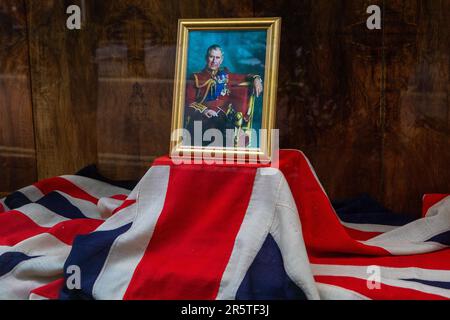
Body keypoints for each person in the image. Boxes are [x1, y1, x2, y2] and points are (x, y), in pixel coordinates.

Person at [184, 44, 263, 147]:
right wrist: (205, 110)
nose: (214, 61)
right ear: (206, 58)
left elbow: (244, 77)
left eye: (217, 58)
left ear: (221, 60)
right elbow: (189, 102)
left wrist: (256, 79)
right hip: (201, 119)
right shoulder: (196, 77)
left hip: (223, 120)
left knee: (231, 134)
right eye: (211, 57)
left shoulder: (225, 75)